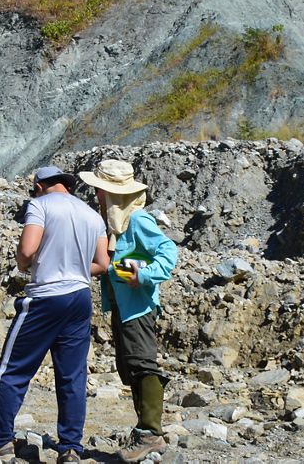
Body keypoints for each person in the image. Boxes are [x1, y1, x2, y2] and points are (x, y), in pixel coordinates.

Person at [0, 166, 109, 463]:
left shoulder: (39, 205)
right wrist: (75, 270)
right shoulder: (92, 215)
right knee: (72, 375)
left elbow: (27, 249)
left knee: (14, 368)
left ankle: (0, 440)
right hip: (81, 298)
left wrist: (25, 264)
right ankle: (71, 448)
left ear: (39, 186)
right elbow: (103, 263)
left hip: (46, 298)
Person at [80, 159, 178, 462]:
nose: (96, 195)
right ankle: (146, 432)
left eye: (100, 190)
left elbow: (168, 250)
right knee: (129, 367)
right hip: (123, 306)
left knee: (142, 364)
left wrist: (143, 275)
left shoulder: (137, 220)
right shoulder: (116, 225)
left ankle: (150, 433)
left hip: (138, 307)